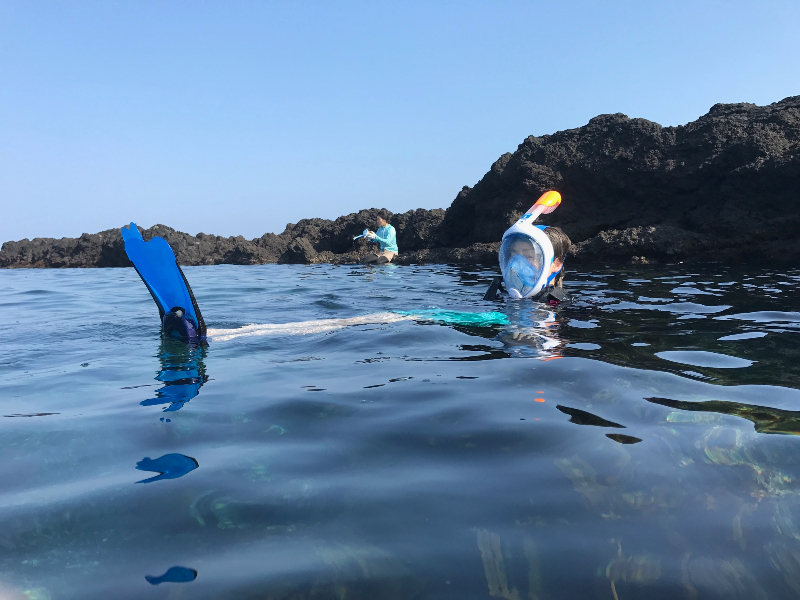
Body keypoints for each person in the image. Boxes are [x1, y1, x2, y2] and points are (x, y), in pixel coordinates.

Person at [484, 226, 572, 304]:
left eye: (529, 256)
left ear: (556, 264)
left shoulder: (562, 304)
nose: (516, 264)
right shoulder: (502, 298)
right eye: (513, 256)